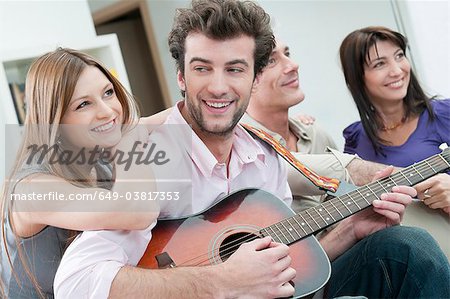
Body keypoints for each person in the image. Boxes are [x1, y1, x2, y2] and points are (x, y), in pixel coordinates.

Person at [54, 1, 447, 298]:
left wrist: (351, 229)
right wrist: (219, 281)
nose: (219, 87)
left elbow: (284, 264)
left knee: (406, 247)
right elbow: (75, 282)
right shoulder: (147, 155)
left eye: (235, 69)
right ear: (181, 76)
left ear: (256, 77)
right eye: (202, 68)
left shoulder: (263, 152)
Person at [0, 48, 160, 298]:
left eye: (108, 93)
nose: (107, 111)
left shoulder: (95, 156)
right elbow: (137, 209)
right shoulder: (31, 189)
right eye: (83, 104)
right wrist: (131, 139)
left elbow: (177, 117)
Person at [242, 38, 390, 212]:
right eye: (271, 61)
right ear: (243, 79)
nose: (293, 65)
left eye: (287, 54)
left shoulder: (315, 134)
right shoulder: (241, 147)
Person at [340, 26, 450, 256]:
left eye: (399, 56)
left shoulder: (445, 114)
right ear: (358, 77)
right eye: (380, 63)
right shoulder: (355, 141)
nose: (397, 70)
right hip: (410, 265)